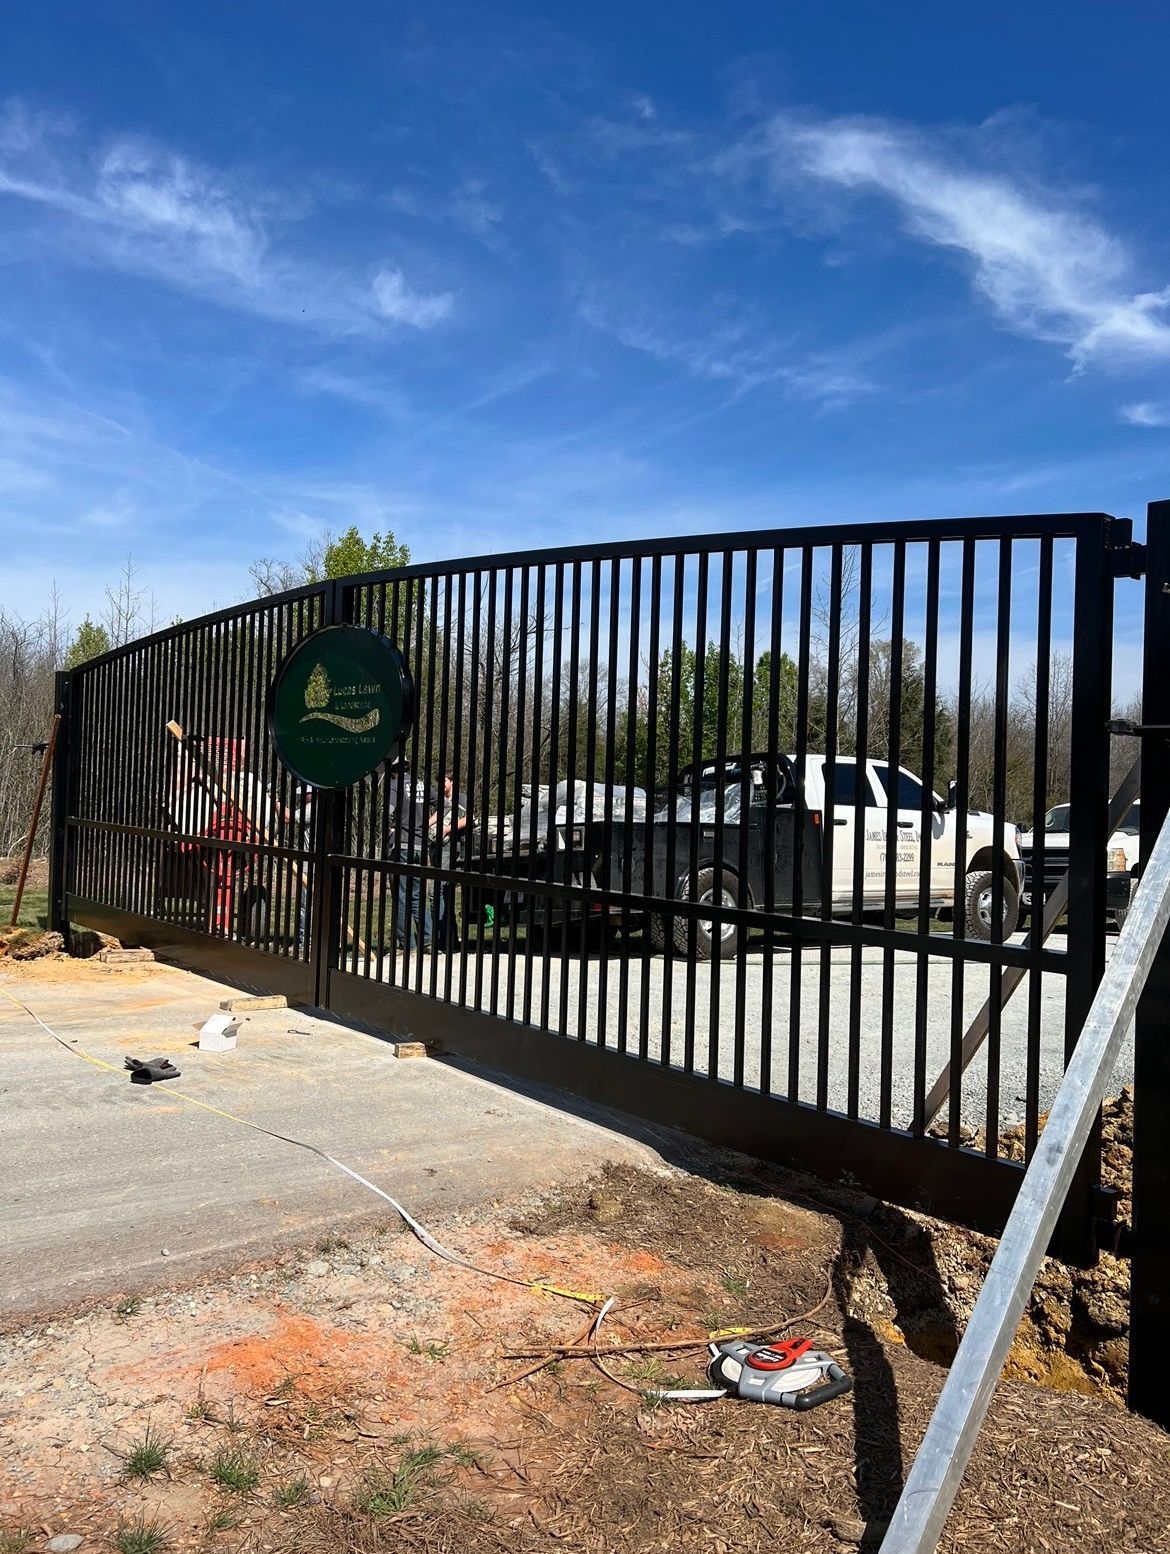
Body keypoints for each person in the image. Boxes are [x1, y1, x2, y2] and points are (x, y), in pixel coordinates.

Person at [387, 757, 433, 950]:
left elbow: (388, 812)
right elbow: (446, 805)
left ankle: (406, 942)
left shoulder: (395, 786)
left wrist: (392, 828)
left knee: (401, 895)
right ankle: (428, 940)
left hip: (403, 845)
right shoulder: (421, 785)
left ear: (392, 770)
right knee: (417, 895)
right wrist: (426, 825)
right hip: (420, 847)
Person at [429, 770, 469, 950]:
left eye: (444, 781)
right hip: (436, 846)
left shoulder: (460, 798)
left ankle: (442, 937)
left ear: (452, 781)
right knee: (443, 893)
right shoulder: (438, 801)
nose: (441, 785)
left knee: (438, 890)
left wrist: (447, 829)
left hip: (451, 846)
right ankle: (448, 938)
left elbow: (468, 818)